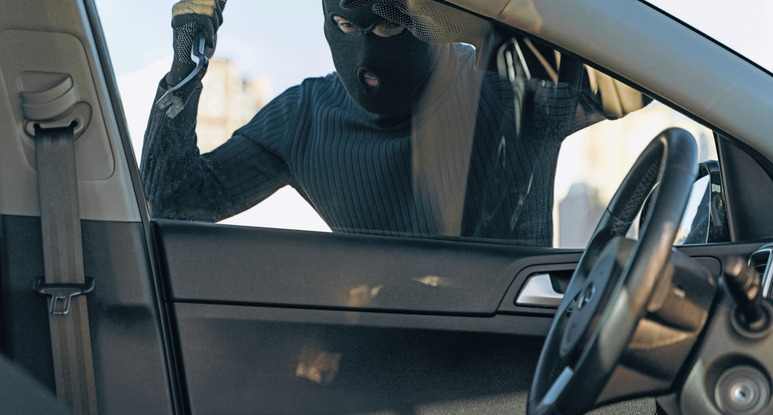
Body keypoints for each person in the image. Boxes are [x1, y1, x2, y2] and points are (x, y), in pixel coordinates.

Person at [141, 0, 627, 246]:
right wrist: (190, 48)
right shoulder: (304, 116)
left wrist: (484, 23)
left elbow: (633, 80)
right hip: (387, 375)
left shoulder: (507, 83)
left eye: (390, 26)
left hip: (514, 379)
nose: (368, 56)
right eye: (347, 27)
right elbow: (175, 199)